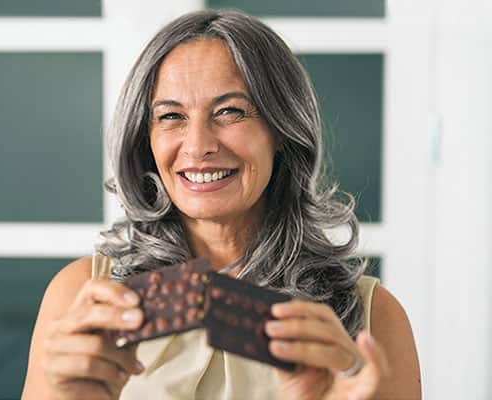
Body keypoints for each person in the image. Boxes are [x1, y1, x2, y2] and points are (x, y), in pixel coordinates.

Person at [22, 9, 420, 400]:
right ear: (146, 139)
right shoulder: (82, 298)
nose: (198, 145)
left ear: (281, 130)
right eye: (171, 116)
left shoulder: (372, 318)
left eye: (230, 111)